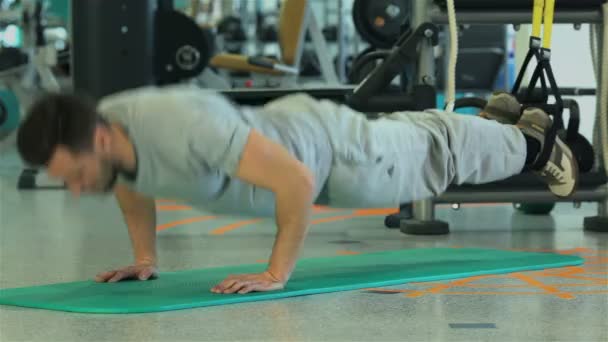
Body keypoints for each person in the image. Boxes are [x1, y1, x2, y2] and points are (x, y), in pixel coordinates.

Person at [16, 85, 578, 295]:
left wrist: (276, 273)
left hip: (329, 155)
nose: (73, 189)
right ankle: (499, 119)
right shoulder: (113, 137)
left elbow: (297, 182)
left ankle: (534, 142)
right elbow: (131, 185)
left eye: (73, 173)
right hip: (295, 136)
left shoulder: (179, 124)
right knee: (414, 142)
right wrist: (145, 257)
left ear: (97, 137)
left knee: (432, 162)